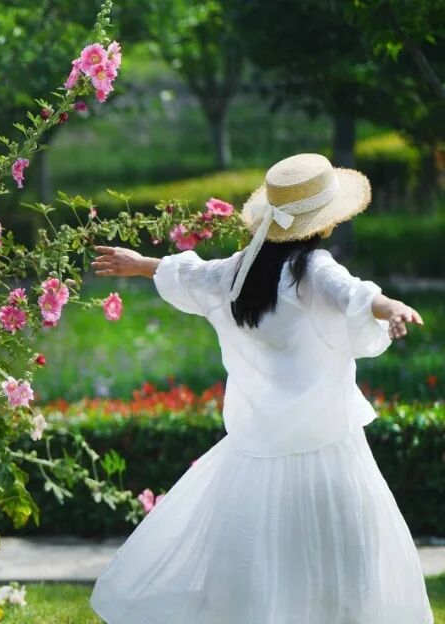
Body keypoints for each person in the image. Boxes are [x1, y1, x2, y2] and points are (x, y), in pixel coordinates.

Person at [87, 153, 432, 624]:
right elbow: (354, 292)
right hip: (325, 447)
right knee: (339, 560)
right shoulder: (313, 267)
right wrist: (390, 308)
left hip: (256, 451)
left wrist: (140, 264)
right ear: (324, 222)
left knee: (261, 563)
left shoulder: (241, 271)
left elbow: (195, 274)